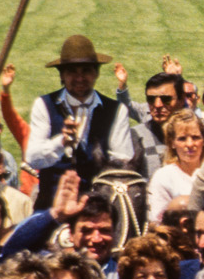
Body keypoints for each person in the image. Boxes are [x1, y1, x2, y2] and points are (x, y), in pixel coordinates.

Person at [24, 35, 138, 195]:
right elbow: (32, 158)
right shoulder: (44, 105)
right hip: (52, 204)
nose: (79, 78)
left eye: (86, 71)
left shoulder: (116, 110)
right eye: (72, 71)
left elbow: (123, 162)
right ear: (62, 75)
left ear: (96, 73)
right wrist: (61, 142)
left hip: (99, 206)